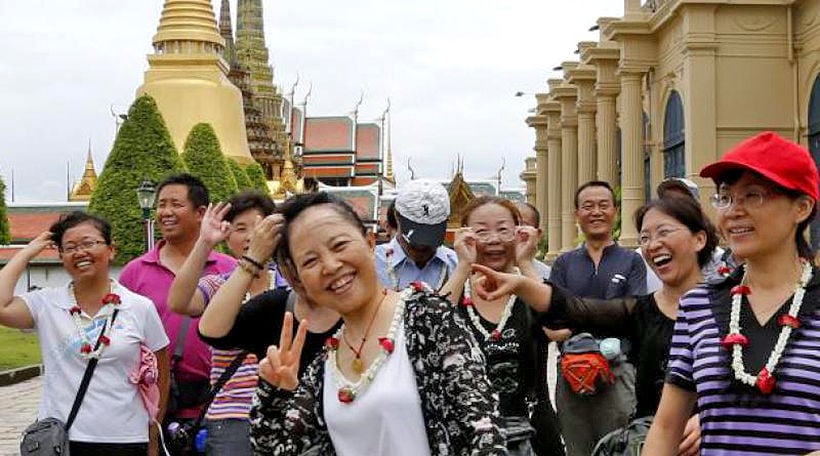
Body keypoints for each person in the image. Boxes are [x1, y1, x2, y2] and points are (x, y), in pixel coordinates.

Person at [250, 192, 506, 455]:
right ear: (299, 278)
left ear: (370, 243)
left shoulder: (427, 318)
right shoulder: (325, 364)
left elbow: (483, 433)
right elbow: (275, 449)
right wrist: (274, 393)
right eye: (310, 261)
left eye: (339, 246)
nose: (330, 265)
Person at [643, 131, 820, 455]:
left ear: (802, 207)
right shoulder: (698, 306)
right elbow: (666, 427)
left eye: (753, 196)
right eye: (725, 197)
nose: (733, 211)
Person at [0, 212, 169, 455]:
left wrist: (154, 432)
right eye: (70, 247)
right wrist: (28, 251)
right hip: (63, 439)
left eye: (89, 243)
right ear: (61, 256)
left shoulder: (139, 307)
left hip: (126, 437)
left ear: (111, 250)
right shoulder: (46, 304)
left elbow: (162, 372)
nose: (80, 252)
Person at [442, 195, 564, 455]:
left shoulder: (530, 287)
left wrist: (525, 262)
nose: (494, 239)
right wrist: (463, 266)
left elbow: (558, 328)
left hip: (534, 434)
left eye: (503, 229)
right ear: (466, 237)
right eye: (481, 231)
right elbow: (430, 328)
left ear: (518, 234)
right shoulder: (455, 291)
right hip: (470, 436)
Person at [166, 191, 280, 455]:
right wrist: (204, 243)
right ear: (228, 238)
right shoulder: (219, 286)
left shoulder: (291, 285)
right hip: (232, 416)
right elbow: (179, 302)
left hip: (283, 409)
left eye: (260, 226)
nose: (252, 235)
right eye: (240, 228)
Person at [119, 174, 235, 431]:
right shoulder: (135, 272)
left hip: (215, 404)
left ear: (201, 213)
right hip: (151, 403)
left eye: (176, 204)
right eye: (161, 204)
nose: (165, 212)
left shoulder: (229, 270)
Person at [547, 180, 646, 456]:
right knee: (577, 448)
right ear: (577, 214)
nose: (596, 212)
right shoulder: (564, 264)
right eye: (588, 206)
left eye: (604, 205)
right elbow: (554, 320)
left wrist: (576, 317)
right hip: (571, 370)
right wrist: (607, 313)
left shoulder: (631, 261)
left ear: (615, 211)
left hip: (618, 368)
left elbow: (633, 315)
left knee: (621, 446)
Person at [643, 178, 727, 292]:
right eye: (667, 201)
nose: (673, 207)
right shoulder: (643, 257)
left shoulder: (720, 260)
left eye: (681, 202)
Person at [374, 179, 458, 291]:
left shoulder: (458, 266)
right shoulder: (372, 263)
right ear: (397, 216)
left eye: (431, 233)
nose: (423, 244)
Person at [516, 202, 551, 280]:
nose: (516, 230)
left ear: (538, 234)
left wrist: (524, 263)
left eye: (523, 224)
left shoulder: (548, 275)